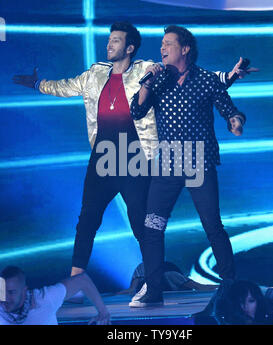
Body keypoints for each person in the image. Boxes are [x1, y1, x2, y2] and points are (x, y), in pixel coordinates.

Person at [12, 21, 255, 280]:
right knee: (97, 220)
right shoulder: (102, 74)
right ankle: (90, 281)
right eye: (109, 39)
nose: (109, 44)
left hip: (150, 158)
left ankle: (182, 281)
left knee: (161, 223)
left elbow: (204, 81)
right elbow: (67, 87)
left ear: (130, 48)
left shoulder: (150, 70)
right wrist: (38, 84)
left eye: (116, 40)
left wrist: (229, 84)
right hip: (113, 156)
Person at [129, 25, 247, 307]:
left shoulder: (206, 79)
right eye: (161, 44)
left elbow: (228, 108)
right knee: (152, 226)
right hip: (168, 161)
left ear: (185, 49)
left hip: (198, 160)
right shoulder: (157, 80)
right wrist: (146, 82)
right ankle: (153, 288)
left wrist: (235, 121)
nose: (162, 48)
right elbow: (137, 110)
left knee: (212, 226)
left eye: (168, 43)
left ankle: (230, 286)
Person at [0, 266, 110, 325]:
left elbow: (82, 280)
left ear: (24, 291)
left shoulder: (44, 299)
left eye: (11, 292)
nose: (4, 298)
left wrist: (103, 312)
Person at [195, 279, 273, 325]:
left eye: (251, 301)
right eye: (240, 302)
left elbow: (270, 292)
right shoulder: (224, 319)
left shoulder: (266, 320)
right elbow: (224, 287)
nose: (245, 307)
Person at [115, 261, 218, 297]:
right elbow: (131, 290)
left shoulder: (171, 276)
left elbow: (200, 287)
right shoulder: (142, 268)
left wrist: (222, 286)